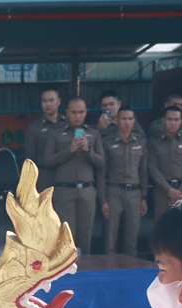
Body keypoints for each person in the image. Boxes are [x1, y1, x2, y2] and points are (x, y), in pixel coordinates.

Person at [42, 96, 104, 254]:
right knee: (66, 236)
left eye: (81, 112)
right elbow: (47, 160)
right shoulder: (56, 134)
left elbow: (102, 162)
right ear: (67, 113)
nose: (77, 116)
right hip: (65, 190)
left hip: (87, 189)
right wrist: (69, 150)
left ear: (86, 113)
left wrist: (88, 150)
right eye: (74, 112)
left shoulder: (94, 133)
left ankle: (86, 266)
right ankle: (67, 267)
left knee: (86, 234)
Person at [100, 106, 148, 256]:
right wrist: (103, 200)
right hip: (114, 191)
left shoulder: (140, 142)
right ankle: (109, 267)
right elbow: (101, 173)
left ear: (134, 121)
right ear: (117, 120)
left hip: (135, 193)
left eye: (130, 119)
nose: (127, 122)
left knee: (131, 238)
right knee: (110, 237)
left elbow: (143, 171)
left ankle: (131, 268)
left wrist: (144, 196)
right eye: (124, 119)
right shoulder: (108, 142)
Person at [147, 106, 182, 220]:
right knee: (162, 226)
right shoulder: (154, 142)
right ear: (163, 120)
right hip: (162, 193)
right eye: (169, 119)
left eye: (176, 120)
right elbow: (153, 168)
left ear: (181, 122)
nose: (173, 123)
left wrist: (180, 191)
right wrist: (169, 190)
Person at [24, 88, 65, 190]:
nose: (48, 104)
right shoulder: (34, 127)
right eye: (44, 101)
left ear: (58, 101)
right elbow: (30, 158)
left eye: (51, 100)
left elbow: (81, 139)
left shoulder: (68, 123)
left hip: (66, 176)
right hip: (44, 176)